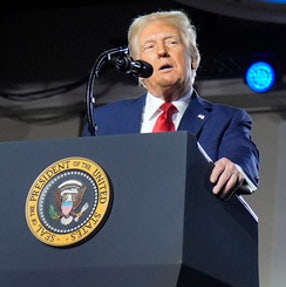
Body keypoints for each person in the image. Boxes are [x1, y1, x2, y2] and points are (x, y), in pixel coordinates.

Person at [88, 10, 259, 198]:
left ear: (194, 60)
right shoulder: (104, 121)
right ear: (137, 68)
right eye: (150, 46)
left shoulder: (225, 119)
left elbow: (242, 153)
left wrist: (235, 166)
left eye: (172, 42)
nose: (162, 52)